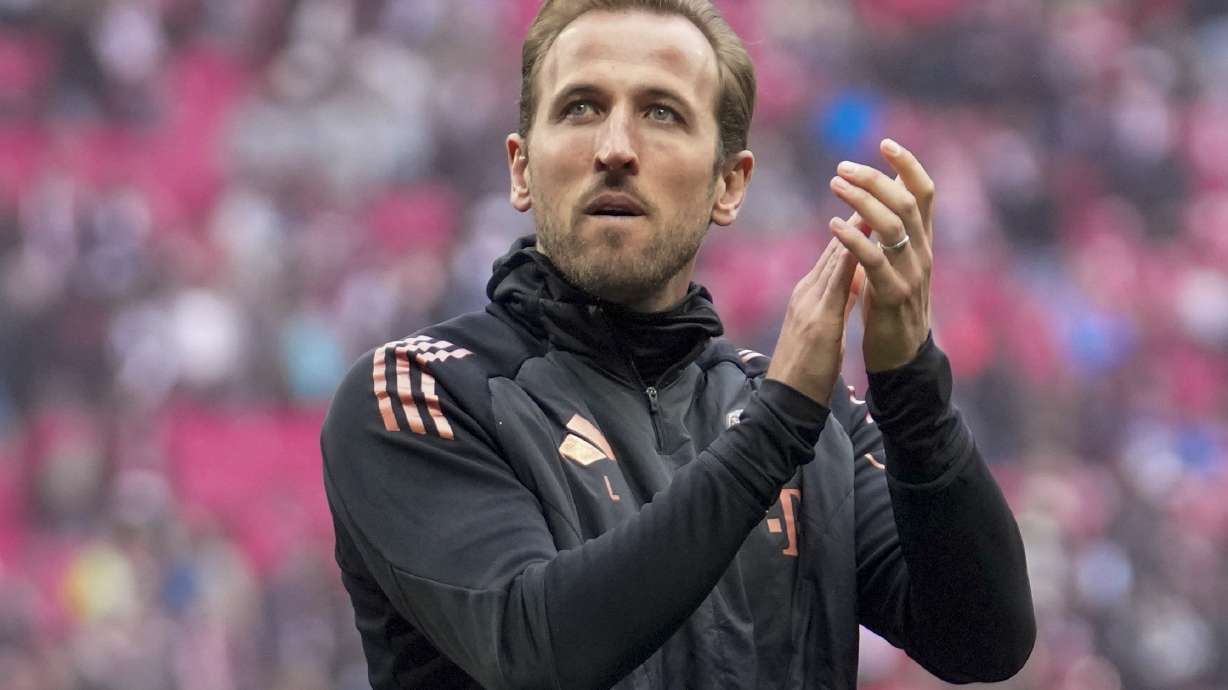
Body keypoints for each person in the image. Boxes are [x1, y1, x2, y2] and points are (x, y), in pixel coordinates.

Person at [321, 1, 1036, 688]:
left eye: (661, 113)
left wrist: (910, 384)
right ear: (520, 168)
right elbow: (535, 653)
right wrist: (777, 427)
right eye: (580, 108)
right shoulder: (420, 391)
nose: (615, 149)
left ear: (730, 184)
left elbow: (983, 639)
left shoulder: (815, 425)